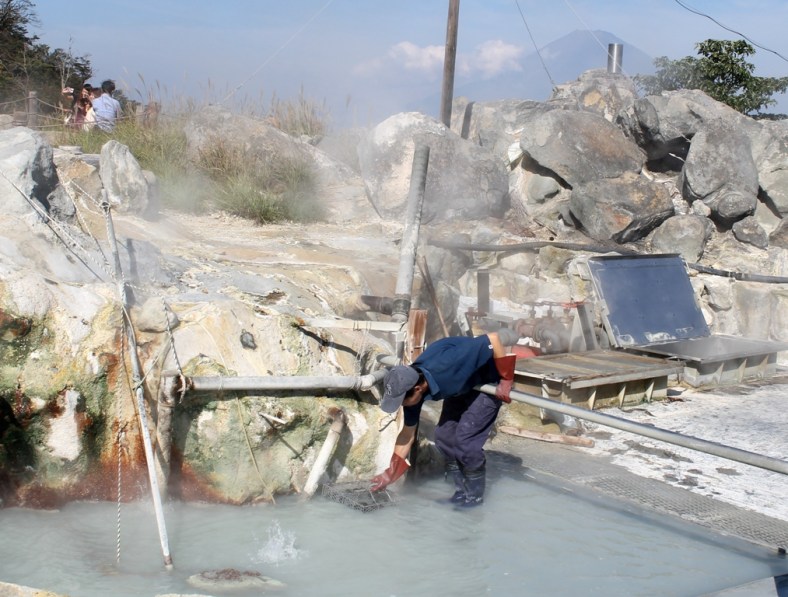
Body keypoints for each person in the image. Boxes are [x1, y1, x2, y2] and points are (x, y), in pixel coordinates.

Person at [370, 328, 520, 507]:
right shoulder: (410, 387)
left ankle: (474, 497)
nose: (402, 405)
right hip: (461, 385)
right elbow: (407, 435)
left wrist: (506, 380)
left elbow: (493, 338)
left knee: (466, 442)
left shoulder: (450, 363)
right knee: (444, 437)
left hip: (487, 383)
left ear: (418, 389)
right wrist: (390, 474)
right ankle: (460, 492)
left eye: (402, 401)